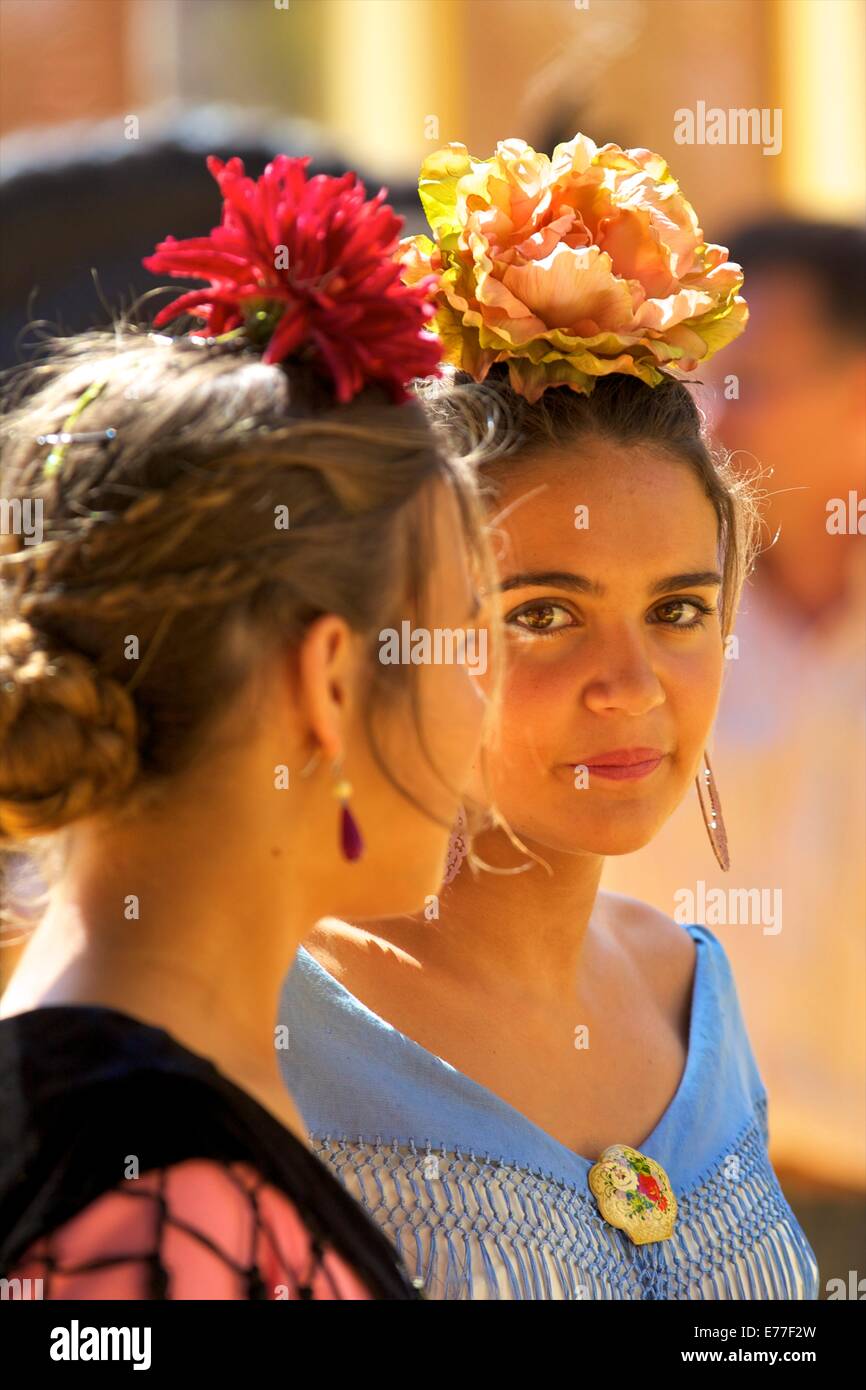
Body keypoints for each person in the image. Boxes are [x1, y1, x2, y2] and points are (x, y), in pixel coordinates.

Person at [278, 133, 821, 1299]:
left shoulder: (689, 988)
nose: (628, 683)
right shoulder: (280, 1026)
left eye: (676, 606)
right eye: (539, 614)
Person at [0, 152, 496, 1300]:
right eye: (462, 635)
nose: (487, 703)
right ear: (328, 680)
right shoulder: (152, 1209)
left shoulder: (136, 1120)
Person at [601, 217, 866, 1287]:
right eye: (698, 383)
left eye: (750, 382)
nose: (710, 420)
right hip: (701, 1218)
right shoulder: (647, 627)